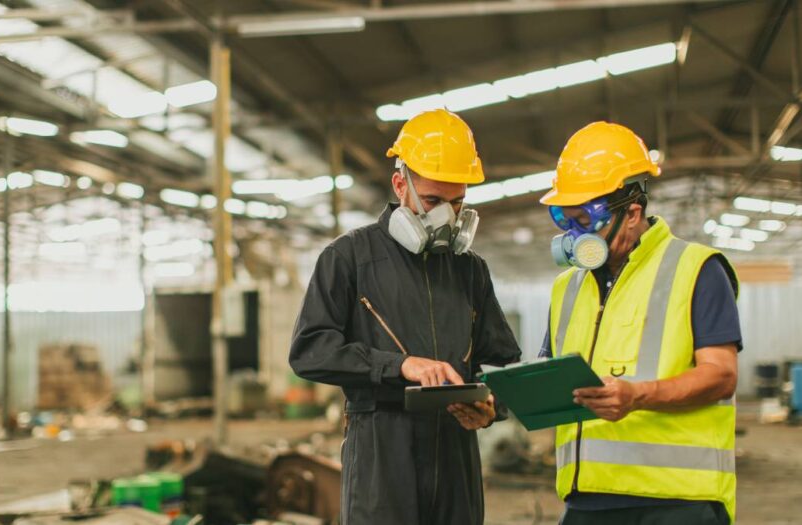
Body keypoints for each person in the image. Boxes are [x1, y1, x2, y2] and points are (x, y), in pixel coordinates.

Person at [289, 108, 520, 525]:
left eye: (457, 202)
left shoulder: (470, 270)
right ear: (400, 184)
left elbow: (502, 361)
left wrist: (491, 404)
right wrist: (399, 366)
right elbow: (310, 350)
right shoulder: (349, 259)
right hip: (382, 453)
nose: (445, 217)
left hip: (456, 457)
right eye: (433, 201)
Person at [538, 121, 741, 525]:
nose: (576, 235)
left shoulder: (697, 268)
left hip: (678, 502)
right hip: (587, 499)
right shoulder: (567, 288)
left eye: (587, 221)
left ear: (632, 213)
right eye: (567, 221)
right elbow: (548, 380)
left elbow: (721, 375)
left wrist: (638, 394)